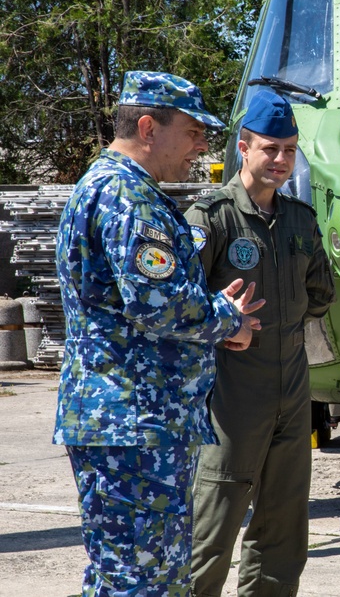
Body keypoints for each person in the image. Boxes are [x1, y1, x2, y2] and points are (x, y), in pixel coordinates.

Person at [54, 70, 265, 596]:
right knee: (144, 579)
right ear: (148, 127)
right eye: (194, 132)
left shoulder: (111, 188)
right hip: (134, 420)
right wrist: (227, 320)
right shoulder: (127, 197)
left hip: (133, 420)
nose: (202, 146)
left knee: (127, 575)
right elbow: (161, 306)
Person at [186, 91, 337, 597]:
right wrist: (227, 329)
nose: (281, 160)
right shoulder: (211, 219)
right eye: (270, 148)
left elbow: (321, 293)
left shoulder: (300, 220)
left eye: (290, 150)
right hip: (230, 393)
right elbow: (182, 308)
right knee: (212, 527)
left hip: (292, 390)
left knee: (285, 528)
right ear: (244, 148)